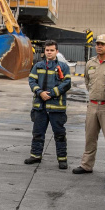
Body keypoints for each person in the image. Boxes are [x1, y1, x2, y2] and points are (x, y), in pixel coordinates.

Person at [73, 34, 105, 180]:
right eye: (97, 44)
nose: (99, 46)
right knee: (90, 138)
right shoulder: (90, 63)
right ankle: (86, 165)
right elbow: (87, 82)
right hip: (92, 106)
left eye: (102, 44)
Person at [25, 40, 72, 169]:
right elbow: (32, 81)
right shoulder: (38, 66)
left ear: (56, 51)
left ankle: (62, 159)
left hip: (57, 107)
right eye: (47, 50)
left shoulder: (63, 66)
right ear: (44, 51)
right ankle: (35, 155)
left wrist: (51, 93)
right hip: (40, 107)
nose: (49, 52)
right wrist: (40, 92)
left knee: (60, 134)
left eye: (52, 50)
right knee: (38, 133)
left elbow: (67, 83)